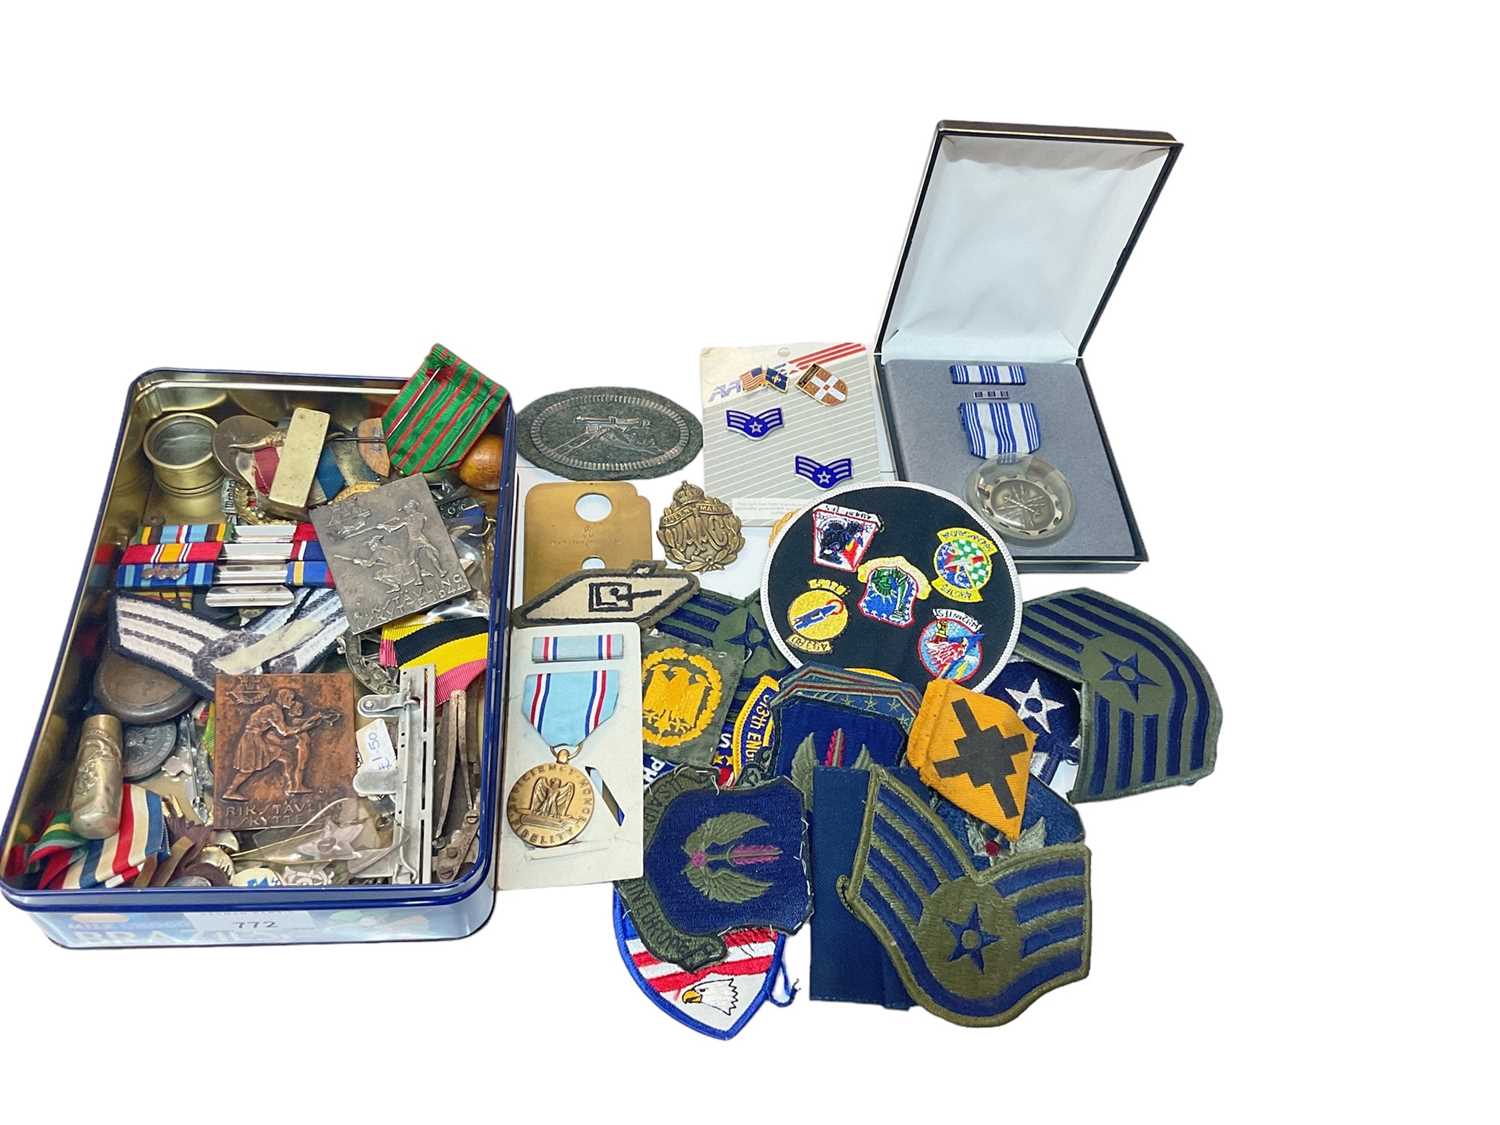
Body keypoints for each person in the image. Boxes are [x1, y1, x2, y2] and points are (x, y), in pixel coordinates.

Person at [220, 688, 338, 800]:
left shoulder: (273, 709)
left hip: (256, 739)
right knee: (248, 770)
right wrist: (303, 728)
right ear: (283, 699)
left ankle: (293, 787)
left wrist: (314, 720)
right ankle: (230, 792)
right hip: (252, 741)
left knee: (287, 758)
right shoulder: (274, 711)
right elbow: (285, 731)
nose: (292, 703)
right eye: (290, 699)